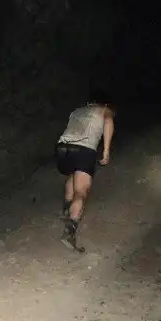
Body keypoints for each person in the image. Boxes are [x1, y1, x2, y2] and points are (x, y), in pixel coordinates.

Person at [54, 92, 116, 250]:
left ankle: (66, 210)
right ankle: (70, 231)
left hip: (62, 148)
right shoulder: (104, 109)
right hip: (84, 150)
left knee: (73, 175)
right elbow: (108, 121)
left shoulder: (77, 111)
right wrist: (106, 150)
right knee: (81, 191)